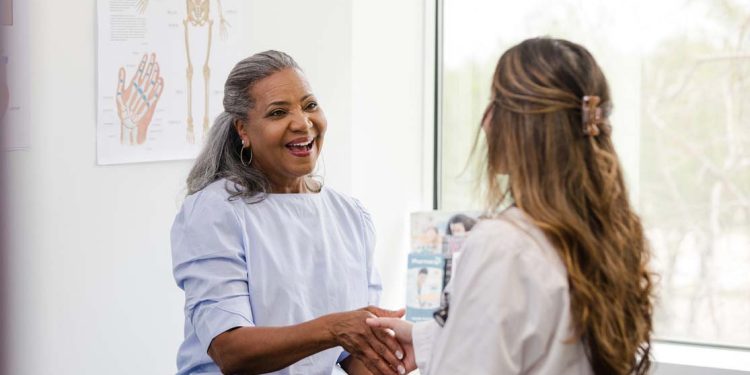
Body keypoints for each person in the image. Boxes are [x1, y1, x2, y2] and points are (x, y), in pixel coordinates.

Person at [368, 37, 654, 375]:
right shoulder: (608, 232)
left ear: (525, 125)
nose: (485, 120)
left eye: (495, 103)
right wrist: (425, 340)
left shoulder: (503, 246)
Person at [171, 51, 407, 375]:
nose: (302, 123)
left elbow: (353, 352)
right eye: (278, 112)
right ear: (243, 130)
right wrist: (333, 328)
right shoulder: (216, 213)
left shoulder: (351, 216)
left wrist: (397, 356)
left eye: (310, 105)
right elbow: (230, 349)